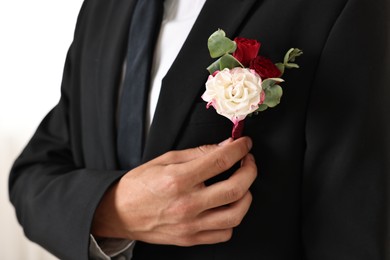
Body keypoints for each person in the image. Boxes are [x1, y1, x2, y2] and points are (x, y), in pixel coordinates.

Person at [9, 0, 390, 259]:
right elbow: (31, 178)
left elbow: (354, 237)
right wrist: (113, 209)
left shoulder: (344, 8)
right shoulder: (102, 8)